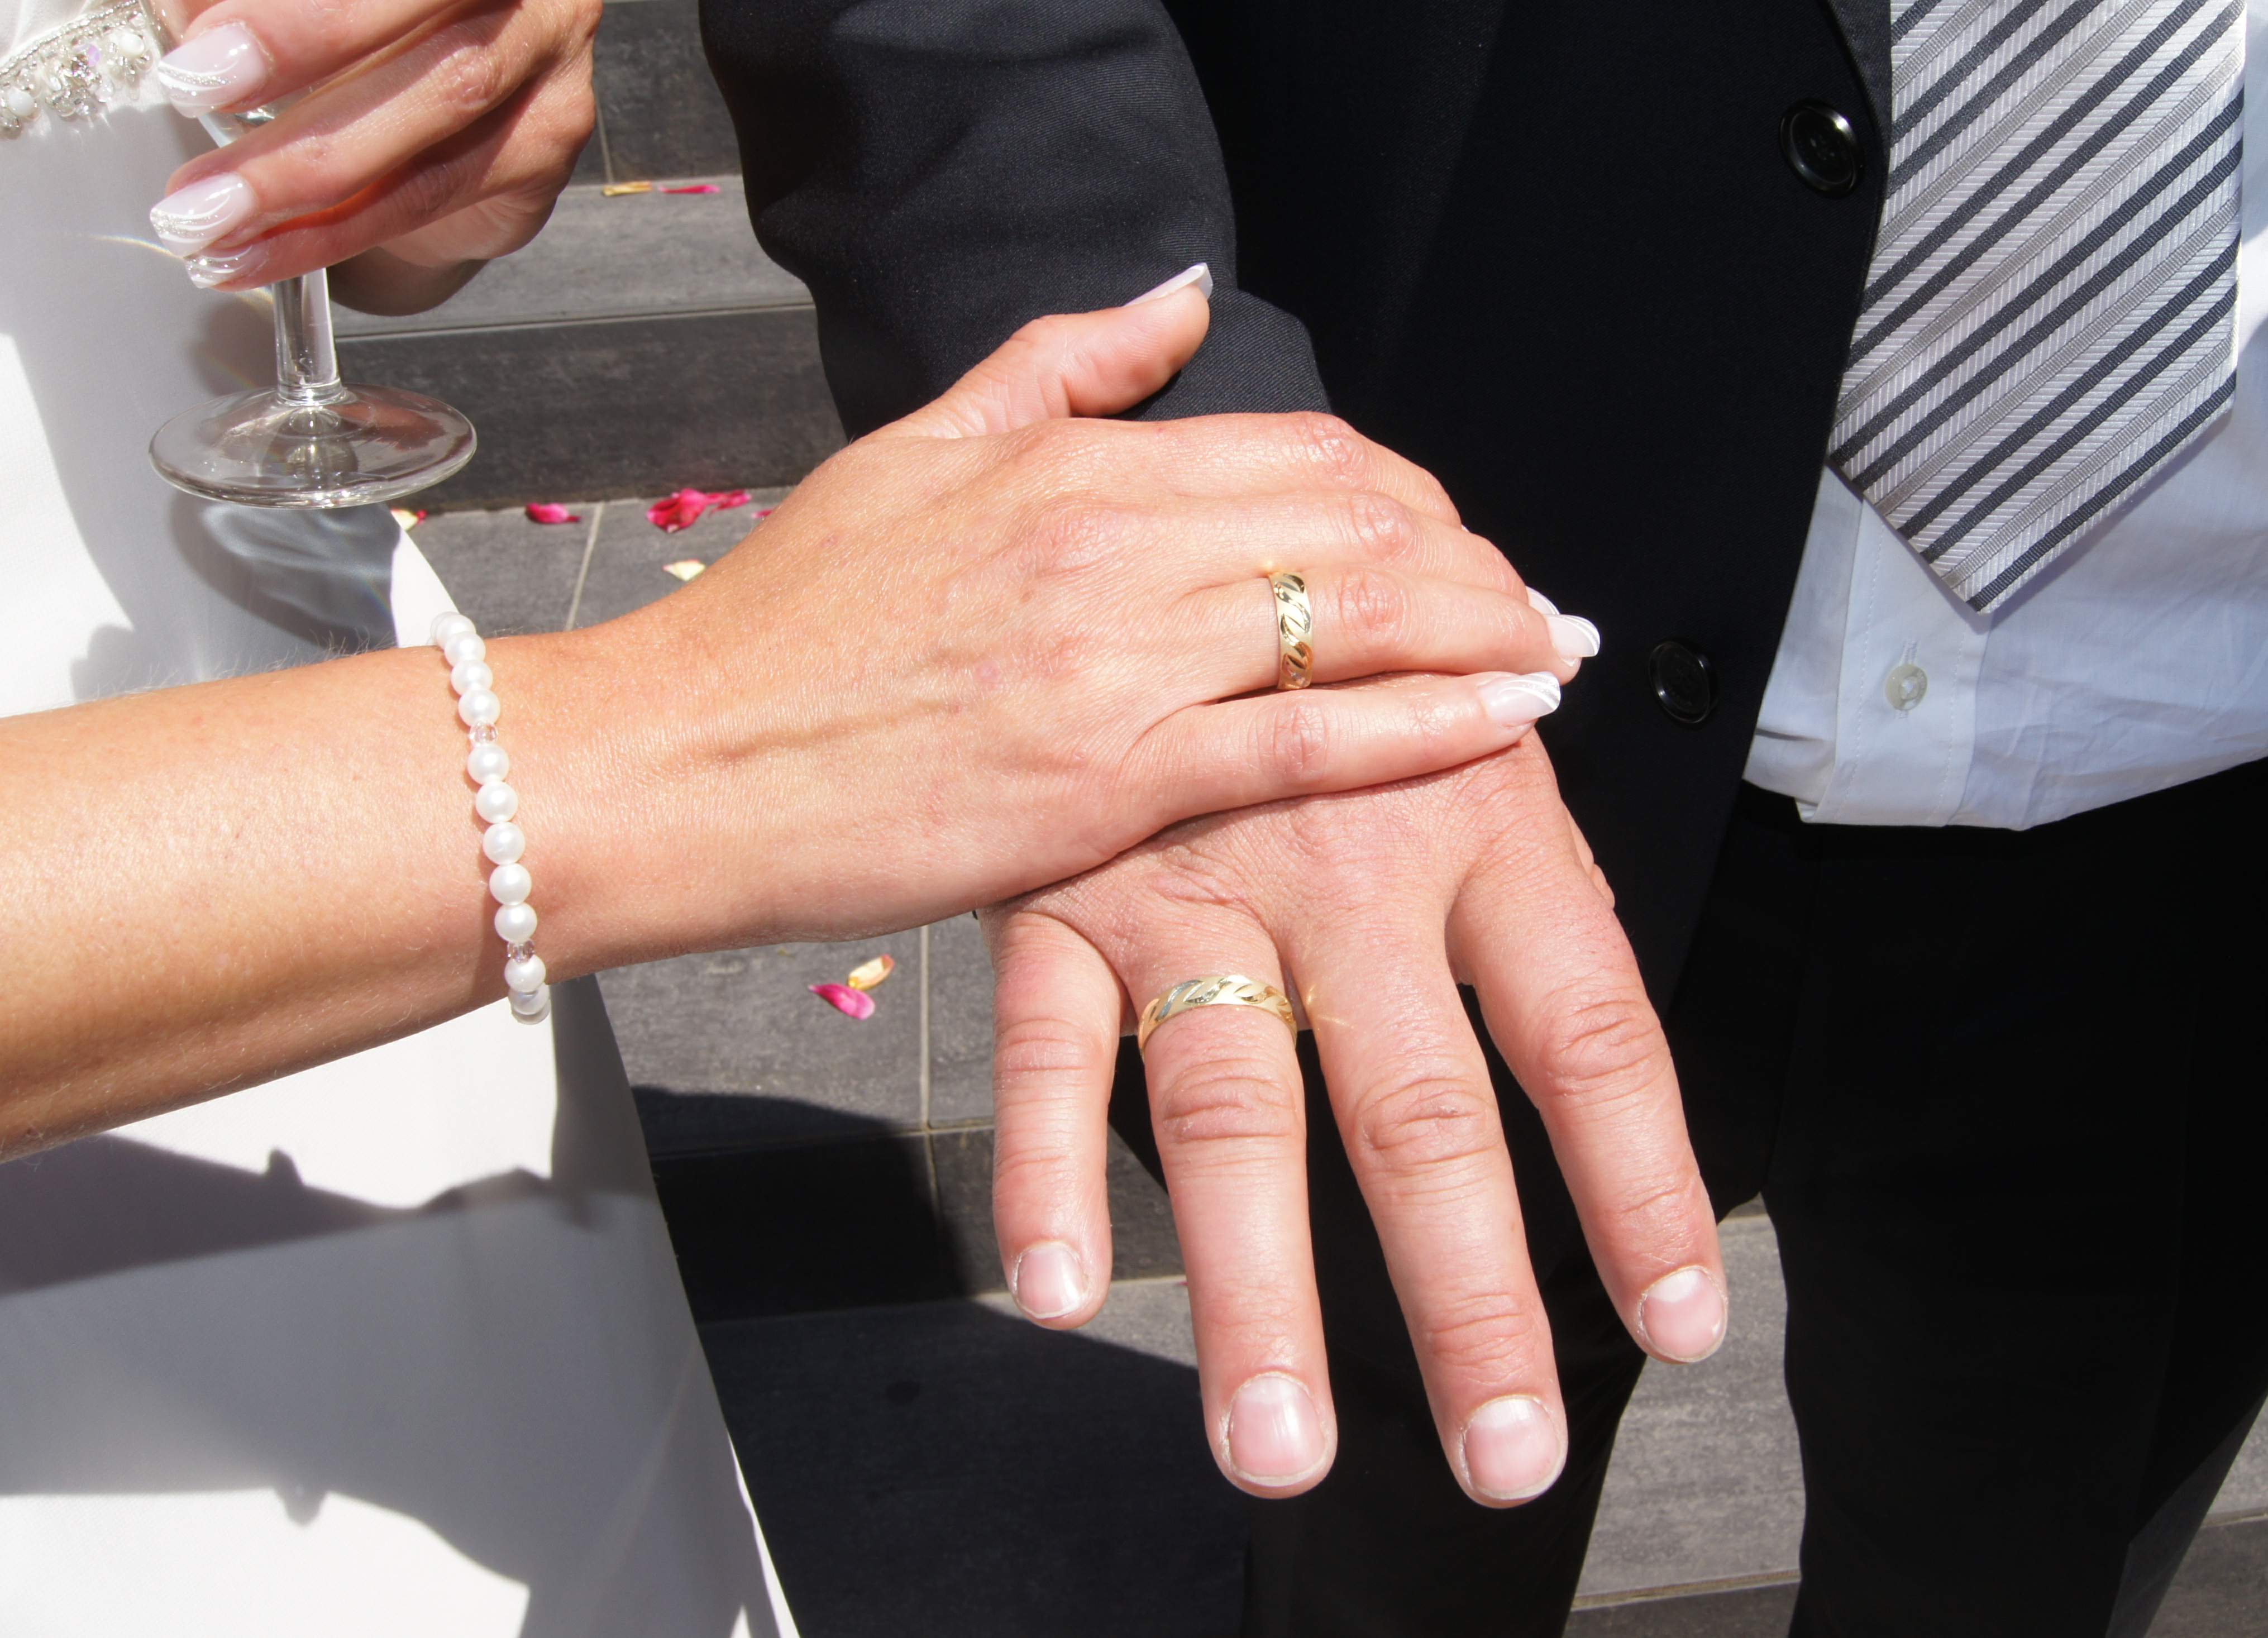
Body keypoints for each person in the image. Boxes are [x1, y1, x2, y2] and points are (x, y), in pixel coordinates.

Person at [0, 0, 1595, 1631]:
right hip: (307, 893)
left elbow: (151, 205)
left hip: (334, 804)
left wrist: (430, 145)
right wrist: (658, 739)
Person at [703, 0, 2268, 1632]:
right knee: (1389, 1522)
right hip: (1448, 719)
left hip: (2202, 794)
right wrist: (1211, 569)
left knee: (2035, 1560)